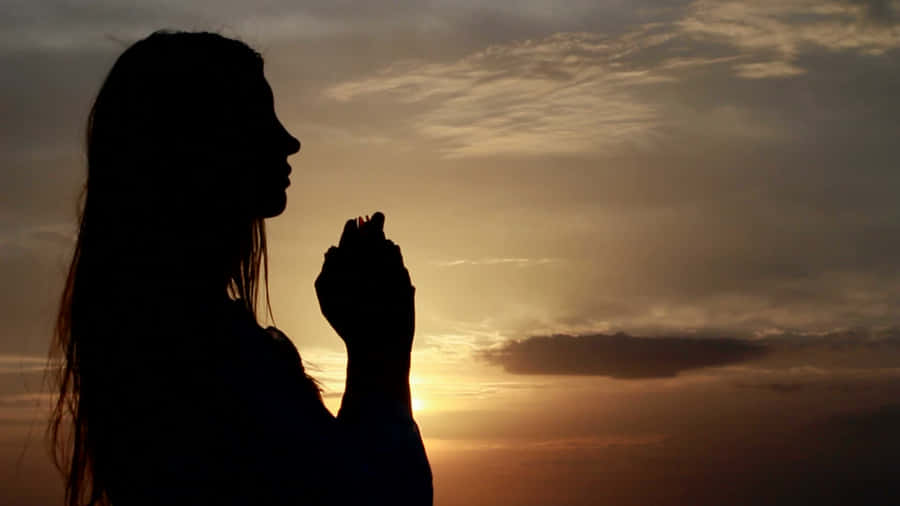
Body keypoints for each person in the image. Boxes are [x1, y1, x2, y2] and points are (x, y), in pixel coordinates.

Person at [46, 30, 432, 506]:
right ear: (200, 144)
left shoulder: (151, 346)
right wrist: (381, 352)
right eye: (261, 118)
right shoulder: (213, 363)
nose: (290, 141)